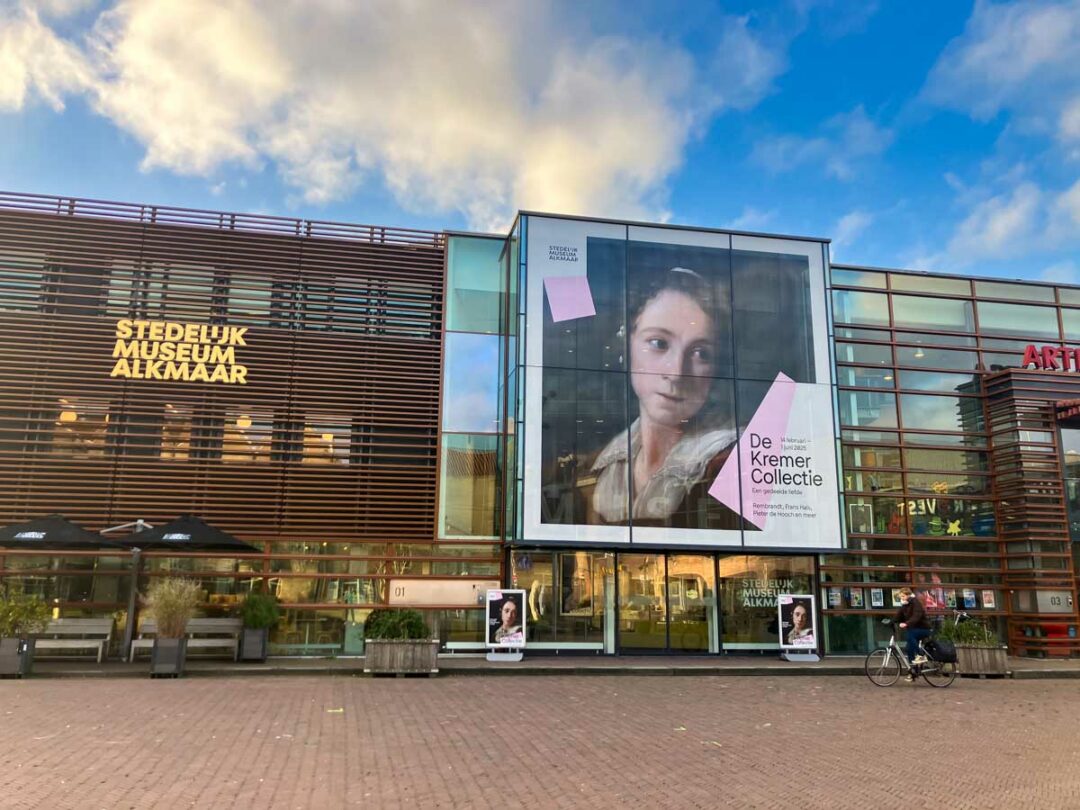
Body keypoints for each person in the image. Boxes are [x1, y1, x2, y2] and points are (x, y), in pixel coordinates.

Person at [591, 267, 737, 525]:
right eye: (659, 343)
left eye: (701, 353)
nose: (677, 373)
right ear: (628, 344)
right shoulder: (599, 467)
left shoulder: (732, 460)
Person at [894, 587, 931, 682]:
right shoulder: (905, 605)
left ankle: (921, 655)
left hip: (924, 629)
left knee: (910, 635)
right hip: (914, 628)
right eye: (900, 597)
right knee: (909, 649)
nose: (901, 598)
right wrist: (890, 622)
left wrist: (907, 623)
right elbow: (898, 615)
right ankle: (913, 672)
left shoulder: (915, 602)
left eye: (902, 596)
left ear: (907, 595)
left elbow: (916, 616)